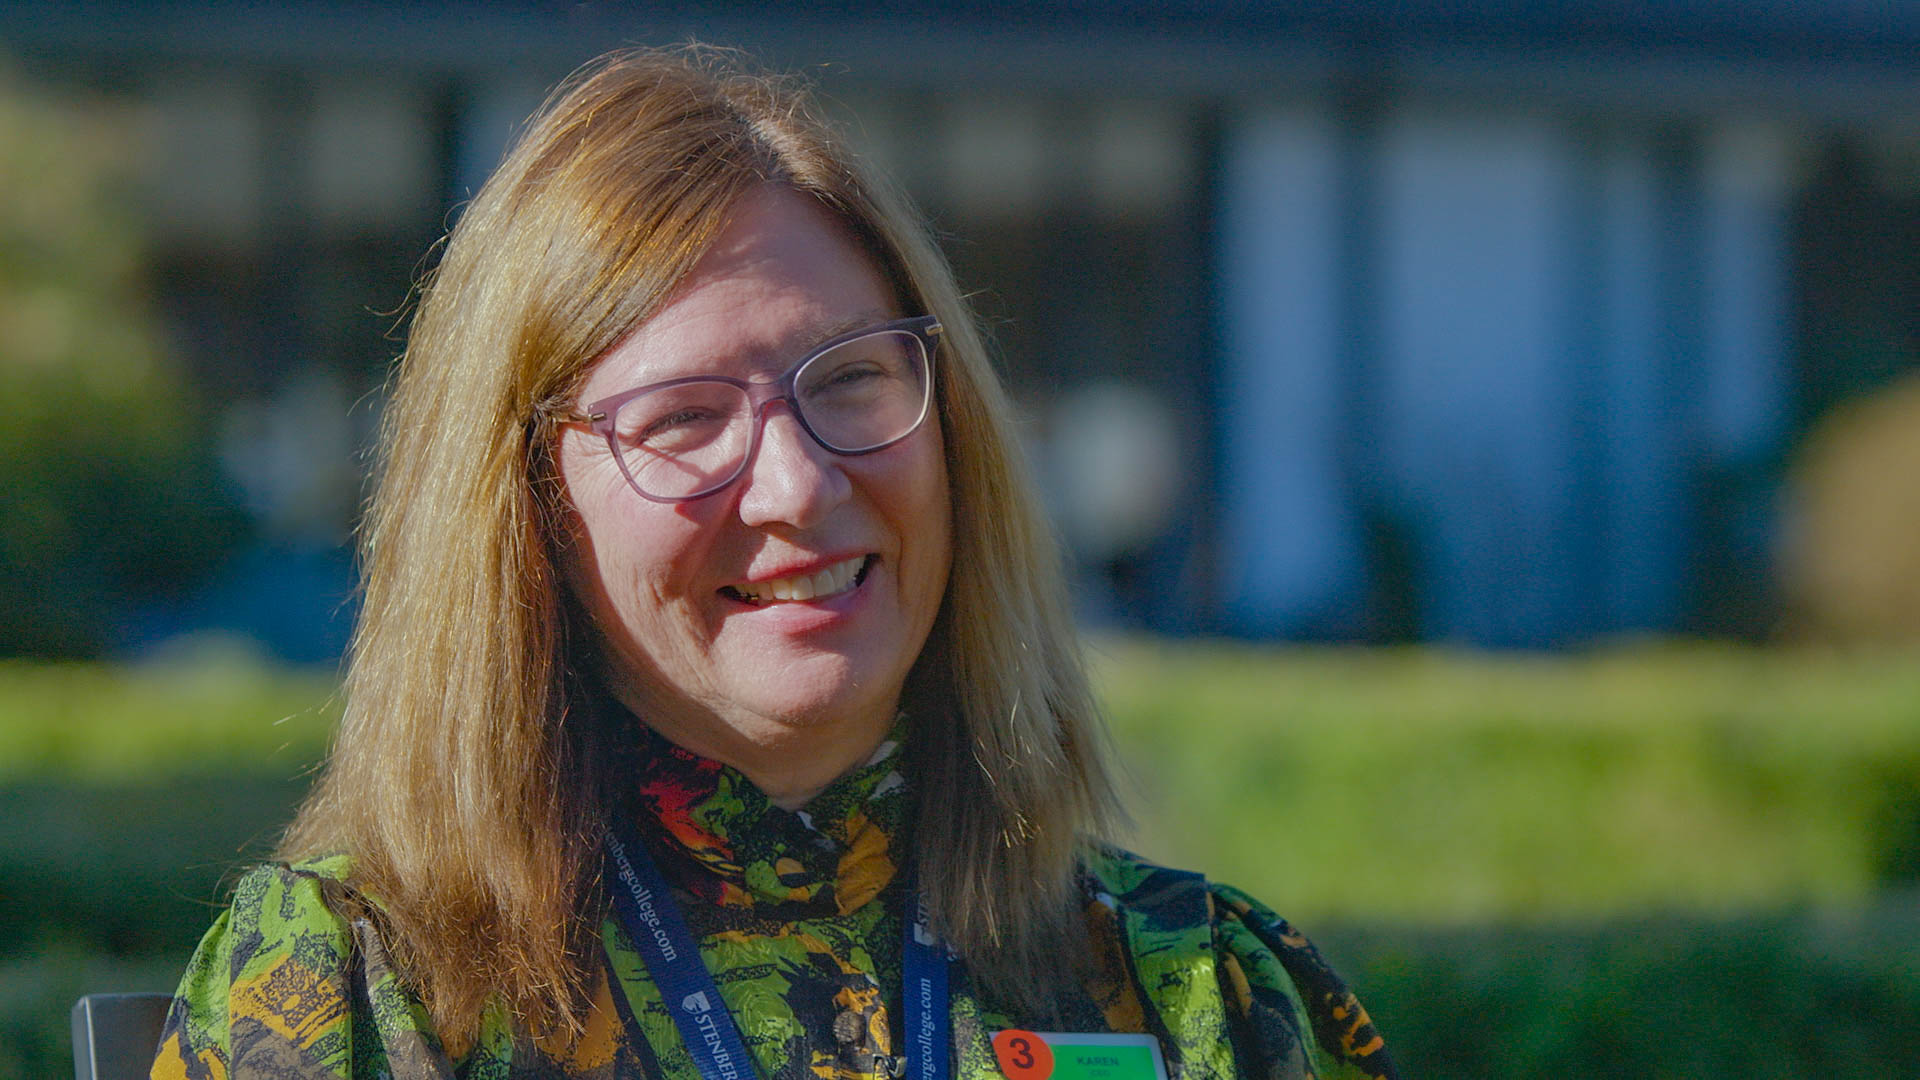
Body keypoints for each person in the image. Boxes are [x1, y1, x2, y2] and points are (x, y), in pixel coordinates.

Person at [150, 45, 1398, 1080]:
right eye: (685, 417)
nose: (800, 486)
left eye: (852, 379)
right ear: (524, 506)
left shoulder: (1195, 995)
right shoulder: (357, 1002)